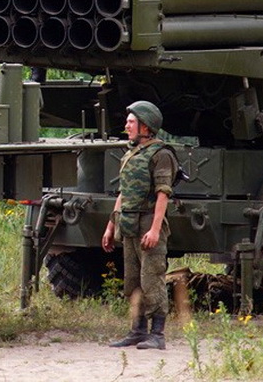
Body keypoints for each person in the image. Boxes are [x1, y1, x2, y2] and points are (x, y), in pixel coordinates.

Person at [102, 100, 176, 351]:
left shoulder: (161, 155)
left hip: (147, 221)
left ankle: (157, 334)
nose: (127, 125)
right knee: (132, 280)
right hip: (129, 224)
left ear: (145, 126)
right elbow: (123, 193)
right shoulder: (131, 154)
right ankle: (136, 330)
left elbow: (163, 194)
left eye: (131, 122)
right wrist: (111, 226)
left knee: (152, 277)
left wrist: (155, 229)